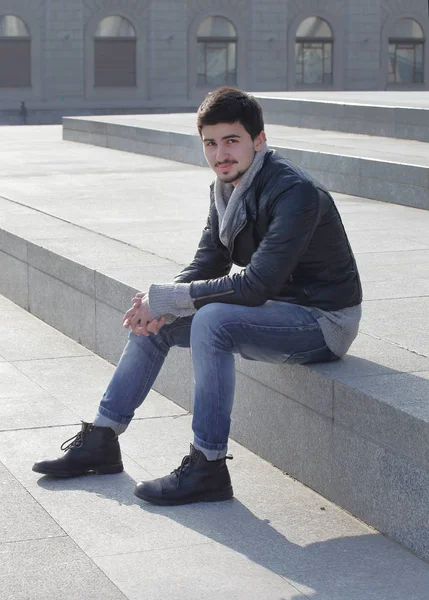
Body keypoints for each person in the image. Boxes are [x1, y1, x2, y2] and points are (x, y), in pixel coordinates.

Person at [32, 87, 362, 506]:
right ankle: (102, 437)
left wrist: (171, 298)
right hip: (274, 310)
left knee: (210, 320)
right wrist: (158, 305)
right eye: (211, 143)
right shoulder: (224, 191)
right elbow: (207, 265)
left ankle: (208, 465)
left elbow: (255, 284)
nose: (220, 154)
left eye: (232, 140)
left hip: (322, 320)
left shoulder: (294, 192)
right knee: (165, 318)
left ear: (259, 140)